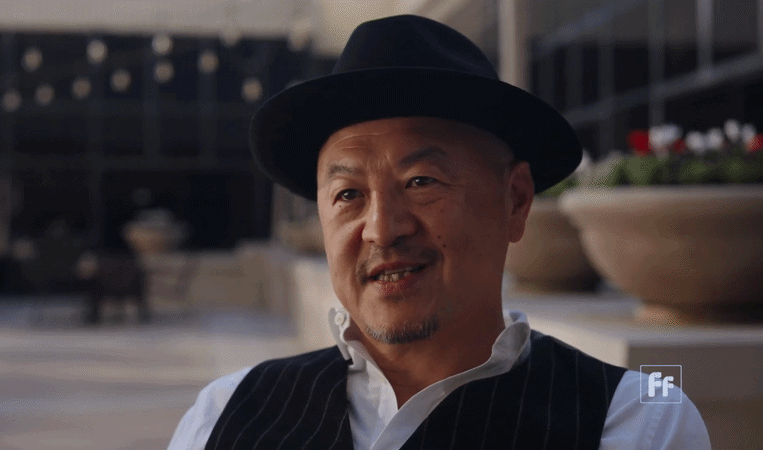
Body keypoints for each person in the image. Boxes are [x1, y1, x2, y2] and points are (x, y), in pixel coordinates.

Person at [168, 15, 710, 450]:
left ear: (515, 201)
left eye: (421, 181)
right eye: (348, 195)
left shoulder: (635, 421)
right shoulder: (225, 413)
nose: (381, 228)